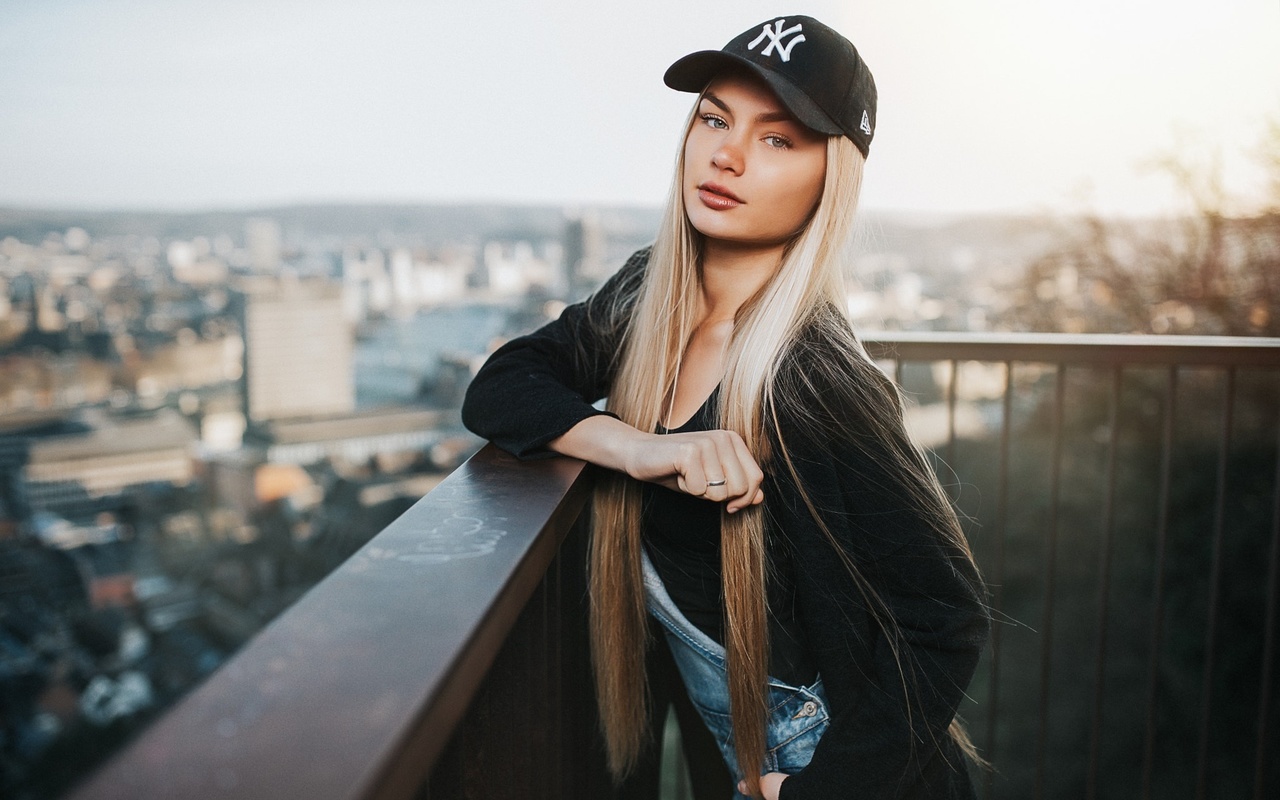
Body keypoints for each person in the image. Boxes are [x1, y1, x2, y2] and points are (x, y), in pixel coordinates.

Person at [462, 15, 989, 800]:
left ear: (829, 179)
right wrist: (636, 447)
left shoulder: (812, 380)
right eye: (714, 117)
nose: (726, 154)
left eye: (777, 140)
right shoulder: (649, 296)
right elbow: (502, 385)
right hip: (742, 749)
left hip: (820, 762)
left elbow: (944, 617)